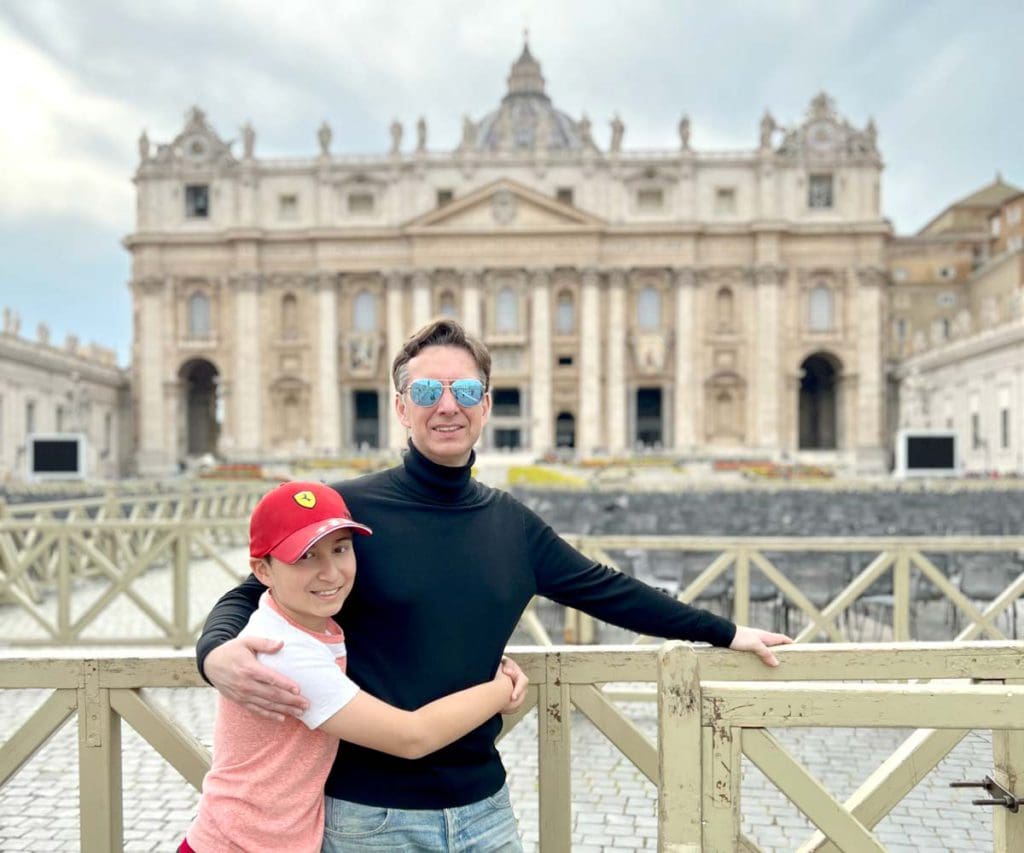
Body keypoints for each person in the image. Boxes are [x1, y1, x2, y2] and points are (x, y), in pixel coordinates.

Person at [198, 318, 792, 851]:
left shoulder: (513, 525)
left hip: (485, 808)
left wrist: (728, 632)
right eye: (428, 392)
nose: (447, 406)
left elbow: (610, 591)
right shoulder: (348, 512)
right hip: (369, 816)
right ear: (402, 407)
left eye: (466, 391)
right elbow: (251, 590)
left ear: (486, 405)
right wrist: (215, 653)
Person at [183, 480, 526, 853]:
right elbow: (411, 737)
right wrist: (500, 688)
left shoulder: (312, 624)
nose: (330, 573)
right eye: (305, 557)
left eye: (340, 549)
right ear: (262, 571)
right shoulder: (284, 649)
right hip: (237, 844)